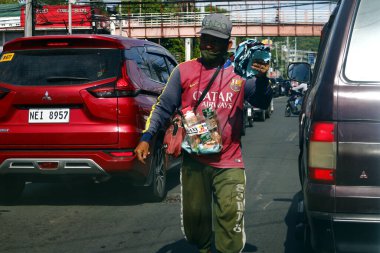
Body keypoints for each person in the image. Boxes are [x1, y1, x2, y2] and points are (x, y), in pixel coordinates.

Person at [134, 13, 272, 253]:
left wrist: (261, 80)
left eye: (216, 41)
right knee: (195, 225)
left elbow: (261, 101)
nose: (209, 44)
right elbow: (164, 106)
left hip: (229, 161)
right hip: (193, 161)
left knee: (230, 219)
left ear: (228, 44)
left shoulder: (241, 74)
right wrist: (147, 138)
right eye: (205, 39)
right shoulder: (183, 71)